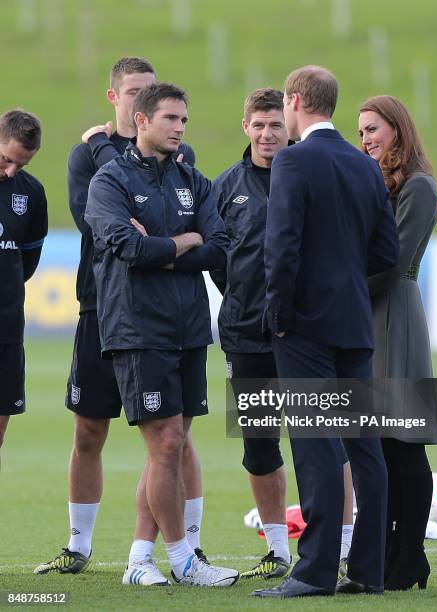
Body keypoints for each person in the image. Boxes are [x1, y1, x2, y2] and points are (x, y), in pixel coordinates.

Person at [34, 57, 205, 586]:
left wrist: (156, 236)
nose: (143, 101)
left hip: (162, 312)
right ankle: (79, 544)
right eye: (134, 92)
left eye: (151, 92)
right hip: (100, 306)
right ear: (115, 98)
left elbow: (174, 228)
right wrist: (164, 236)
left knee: (174, 437)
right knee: (89, 429)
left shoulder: (180, 156)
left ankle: (183, 548)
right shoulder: (86, 158)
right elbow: (103, 223)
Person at [84, 82, 238, 587]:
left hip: (189, 326)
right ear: (142, 120)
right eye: (170, 118)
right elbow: (127, 247)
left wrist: (168, 245)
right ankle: (184, 560)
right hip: (137, 326)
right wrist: (182, 242)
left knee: (171, 446)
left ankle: (139, 558)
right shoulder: (109, 180)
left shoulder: (194, 179)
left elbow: (217, 246)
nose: (179, 128)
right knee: (167, 443)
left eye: (184, 121)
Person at [254, 65, 399, 599]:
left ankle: (313, 572)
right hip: (354, 324)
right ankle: (367, 570)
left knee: (315, 442)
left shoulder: (293, 161)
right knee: (365, 447)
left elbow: (281, 248)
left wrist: (279, 314)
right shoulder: (364, 166)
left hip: (306, 328)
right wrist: (345, 286)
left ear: (294, 101)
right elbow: (387, 253)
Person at [210, 87, 355, 580]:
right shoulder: (225, 185)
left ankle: (339, 546)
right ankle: (277, 550)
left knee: (322, 440)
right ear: (245, 127)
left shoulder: (310, 173)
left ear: (287, 124)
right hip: (245, 336)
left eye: (276, 124)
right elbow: (220, 260)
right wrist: (246, 304)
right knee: (260, 446)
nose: (269, 133)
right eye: (259, 125)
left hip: (304, 335)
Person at [358, 95, 437, 591]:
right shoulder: (374, 181)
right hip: (366, 316)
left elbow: (392, 263)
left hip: (396, 317)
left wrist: (336, 286)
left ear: (398, 130)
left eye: (374, 129)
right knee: (381, 446)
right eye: (361, 131)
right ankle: (396, 553)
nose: (366, 138)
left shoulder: (419, 186)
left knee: (404, 443)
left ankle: (409, 555)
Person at [0, 109, 48, 467]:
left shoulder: (31, 193)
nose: (11, 170)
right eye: (6, 159)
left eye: (21, 164)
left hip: (7, 328)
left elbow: (27, 262)